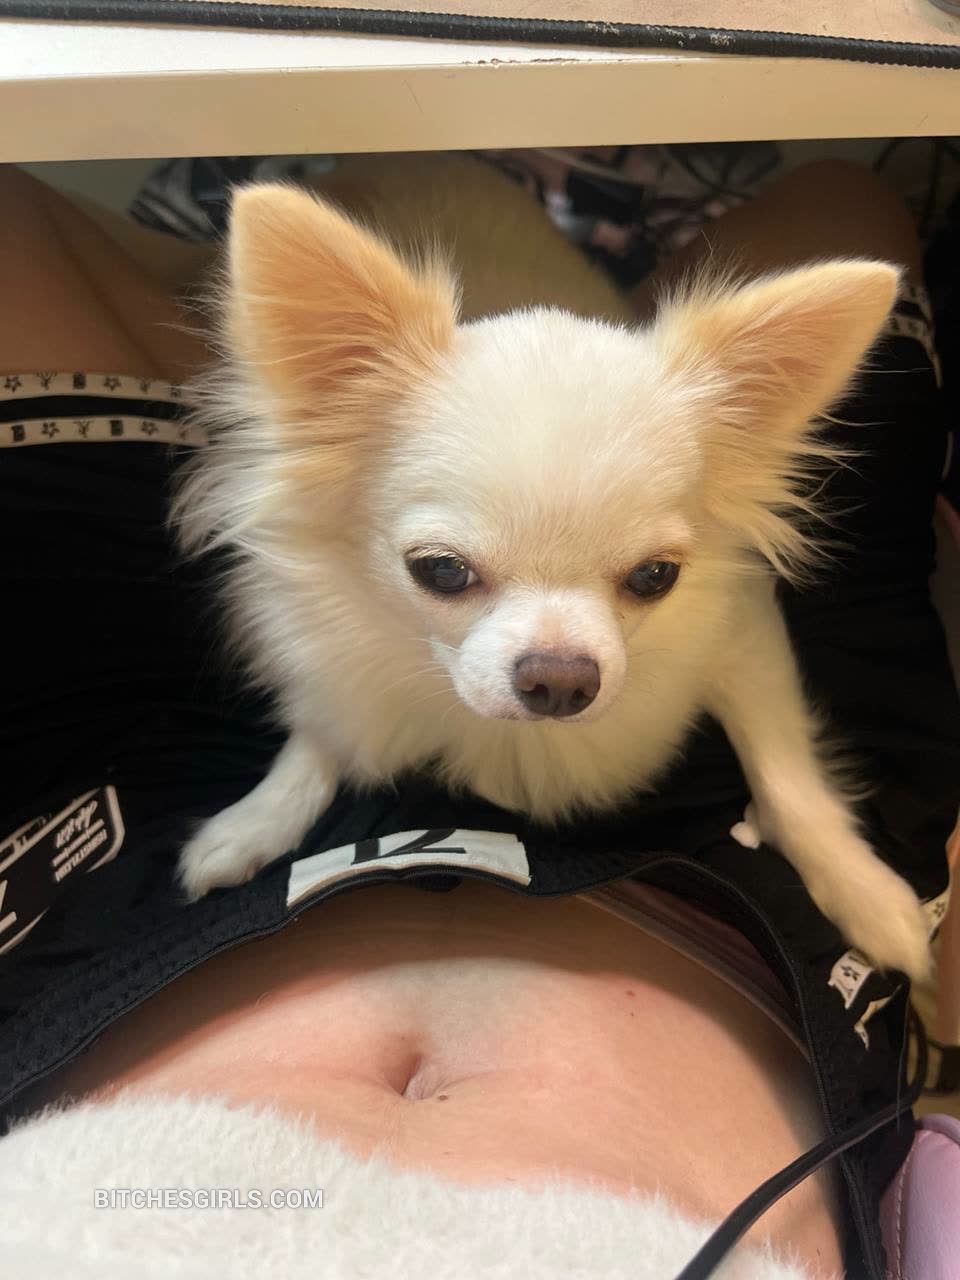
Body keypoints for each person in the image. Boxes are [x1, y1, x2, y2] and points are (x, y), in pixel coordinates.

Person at [0, 156, 956, 1280]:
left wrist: (812, 819)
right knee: (847, 200)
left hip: (115, 888)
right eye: (450, 569)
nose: (560, 667)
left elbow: (729, 605)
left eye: (644, 575)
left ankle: (609, 335)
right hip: (739, 909)